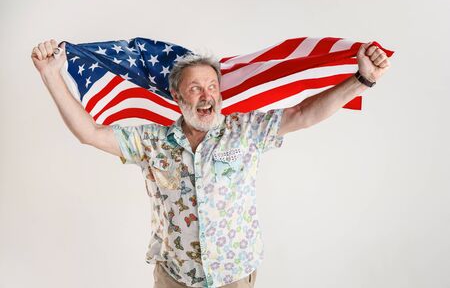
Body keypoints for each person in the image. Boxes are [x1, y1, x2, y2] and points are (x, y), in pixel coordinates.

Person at [31, 39, 391, 288]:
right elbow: (90, 133)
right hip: (175, 277)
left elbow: (302, 113)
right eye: (195, 88)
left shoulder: (245, 129)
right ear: (176, 95)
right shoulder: (153, 141)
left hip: (234, 276)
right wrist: (50, 74)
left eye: (212, 87)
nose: (207, 96)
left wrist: (361, 81)